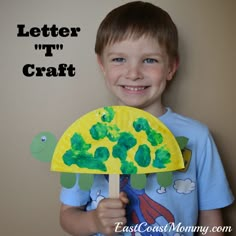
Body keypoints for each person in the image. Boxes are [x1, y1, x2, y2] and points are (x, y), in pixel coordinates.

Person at [59, 1, 234, 235]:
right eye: (119, 59)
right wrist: (95, 222)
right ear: (102, 65)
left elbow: (212, 224)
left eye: (150, 60)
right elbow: (67, 215)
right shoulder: (88, 137)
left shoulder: (197, 137)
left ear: (171, 67)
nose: (133, 73)